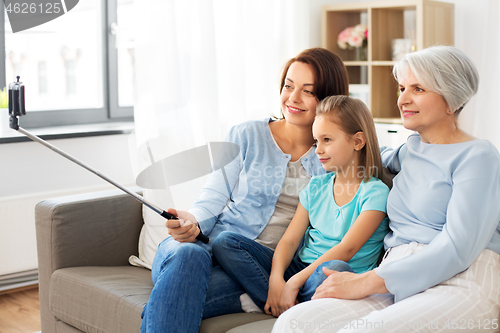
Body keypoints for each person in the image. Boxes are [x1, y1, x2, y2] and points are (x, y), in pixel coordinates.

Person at [272, 45, 500, 333]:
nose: (402, 99)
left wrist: (365, 281)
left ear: (451, 99)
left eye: (418, 89)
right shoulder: (410, 151)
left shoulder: (479, 157)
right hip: (395, 277)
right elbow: (357, 155)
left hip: (461, 279)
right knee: (295, 322)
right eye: (402, 88)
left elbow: (457, 249)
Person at [140, 47, 350, 333]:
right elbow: (212, 199)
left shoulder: (333, 154)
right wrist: (192, 222)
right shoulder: (247, 135)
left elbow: (376, 154)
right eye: (288, 86)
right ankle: (259, 299)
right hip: (204, 250)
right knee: (190, 254)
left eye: (308, 91)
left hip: (258, 269)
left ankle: (246, 296)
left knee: (173, 299)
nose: (293, 98)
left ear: (328, 99)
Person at [212, 95, 390, 318]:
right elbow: (289, 240)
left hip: (333, 276)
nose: (318, 150)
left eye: (327, 140)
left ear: (357, 142)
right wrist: (277, 280)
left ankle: (279, 302)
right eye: (316, 141)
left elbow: (347, 249)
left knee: (335, 268)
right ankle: (279, 299)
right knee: (225, 241)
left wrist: (293, 282)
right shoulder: (316, 186)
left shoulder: (375, 193)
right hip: (300, 267)